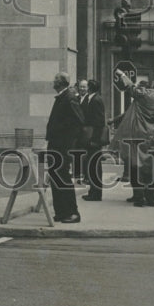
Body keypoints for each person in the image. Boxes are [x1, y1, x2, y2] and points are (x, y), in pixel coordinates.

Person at [113, 70, 154, 207]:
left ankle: (139, 198)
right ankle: (150, 199)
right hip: (153, 138)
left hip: (137, 135)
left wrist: (122, 75)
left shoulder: (147, 94)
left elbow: (131, 88)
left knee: (136, 168)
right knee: (150, 170)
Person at [45, 73, 85, 223]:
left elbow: (78, 121)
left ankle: (72, 212)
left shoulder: (69, 98)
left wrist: (63, 136)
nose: (53, 82)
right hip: (57, 144)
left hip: (62, 145)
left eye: (55, 79)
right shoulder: (65, 96)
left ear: (61, 83)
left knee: (63, 177)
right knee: (56, 176)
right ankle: (61, 211)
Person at [81, 79, 107, 202]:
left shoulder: (96, 100)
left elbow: (99, 122)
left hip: (93, 139)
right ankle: (93, 191)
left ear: (90, 88)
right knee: (92, 166)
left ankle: (96, 193)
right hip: (90, 138)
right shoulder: (92, 98)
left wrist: (95, 139)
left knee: (94, 166)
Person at [73, 79, 90, 182]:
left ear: (88, 88)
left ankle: (85, 175)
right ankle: (78, 174)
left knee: (85, 154)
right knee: (76, 153)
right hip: (76, 132)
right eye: (81, 86)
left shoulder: (89, 99)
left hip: (86, 131)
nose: (82, 88)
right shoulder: (76, 98)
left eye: (84, 87)